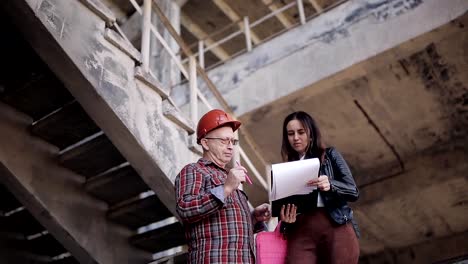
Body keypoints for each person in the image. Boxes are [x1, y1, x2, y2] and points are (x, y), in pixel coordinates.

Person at [175, 109, 271, 264]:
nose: (230, 147)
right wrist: (226, 189)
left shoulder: (229, 176)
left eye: (233, 141)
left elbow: (227, 225)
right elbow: (185, 209)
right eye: (224, 141)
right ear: (205, 143)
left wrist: (253, 218)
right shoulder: (193, 170)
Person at [278, 111, 360, 264]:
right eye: (290, 134)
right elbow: (284, 207)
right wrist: (285, 220)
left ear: (311, 133)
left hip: (335, 225)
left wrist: (331, 184)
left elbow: (353, 191)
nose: (295, 138)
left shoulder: (329, 155)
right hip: (301, 231)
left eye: (301, 132)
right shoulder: (285, 170)